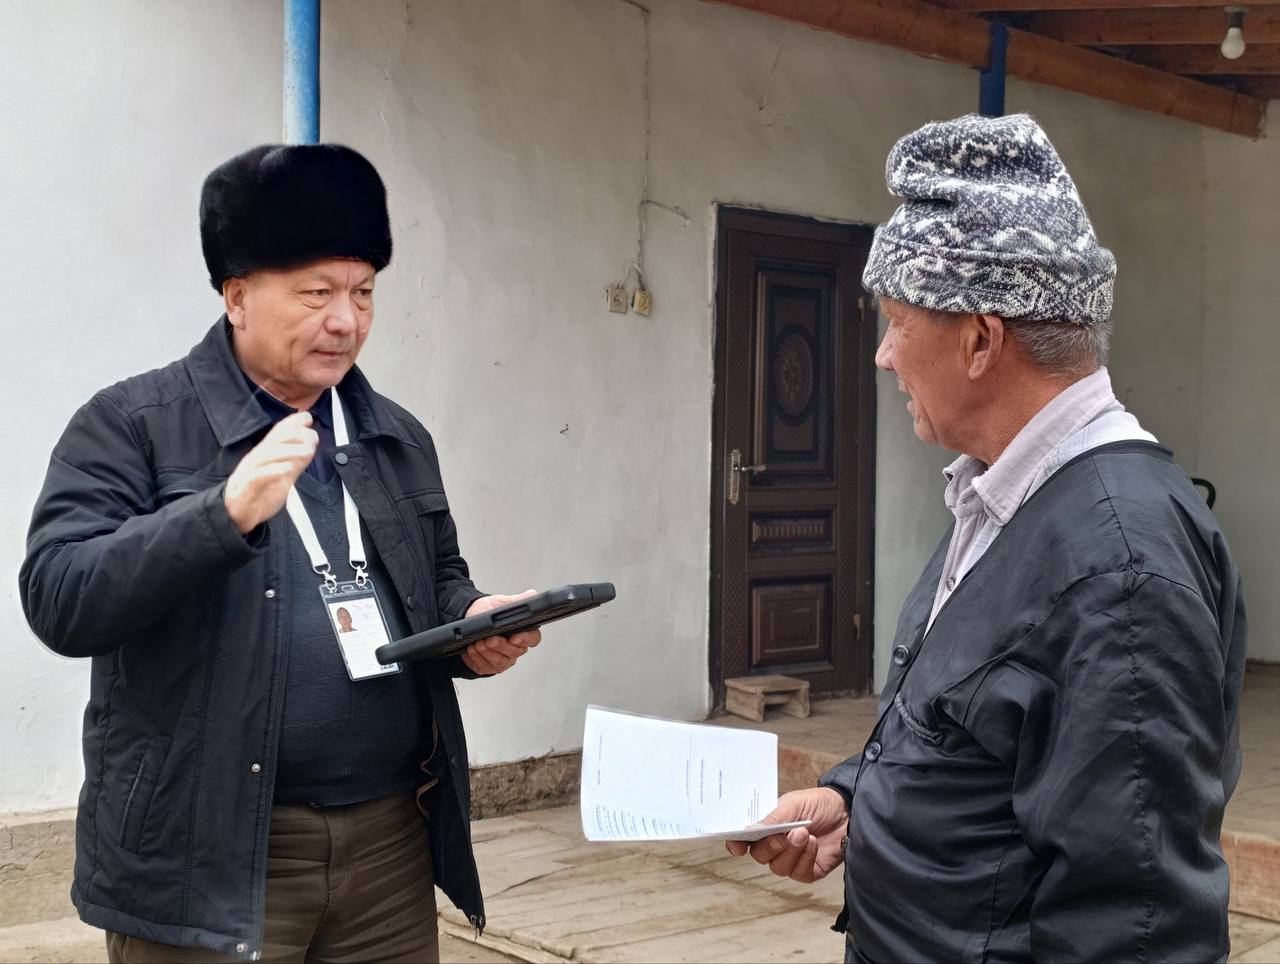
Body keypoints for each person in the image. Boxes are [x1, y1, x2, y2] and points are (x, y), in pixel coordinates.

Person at [727, 114, 1247, 963]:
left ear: (979, 340)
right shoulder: (1005, 495)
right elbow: (973, 735)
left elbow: (1136, 922)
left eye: (898, 322)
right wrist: (856, 801)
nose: (883, 356)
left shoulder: (1118, 565)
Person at [20, 143, 541, 963]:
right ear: (237, 295)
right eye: (317, 293)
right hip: (209, 857)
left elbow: (435, 580)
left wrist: (473, 623)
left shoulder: (395, 436)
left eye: (364, 292)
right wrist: (219, 515)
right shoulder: (133, 425)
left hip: (388, 849)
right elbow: (60, 597)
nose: (347, 320)